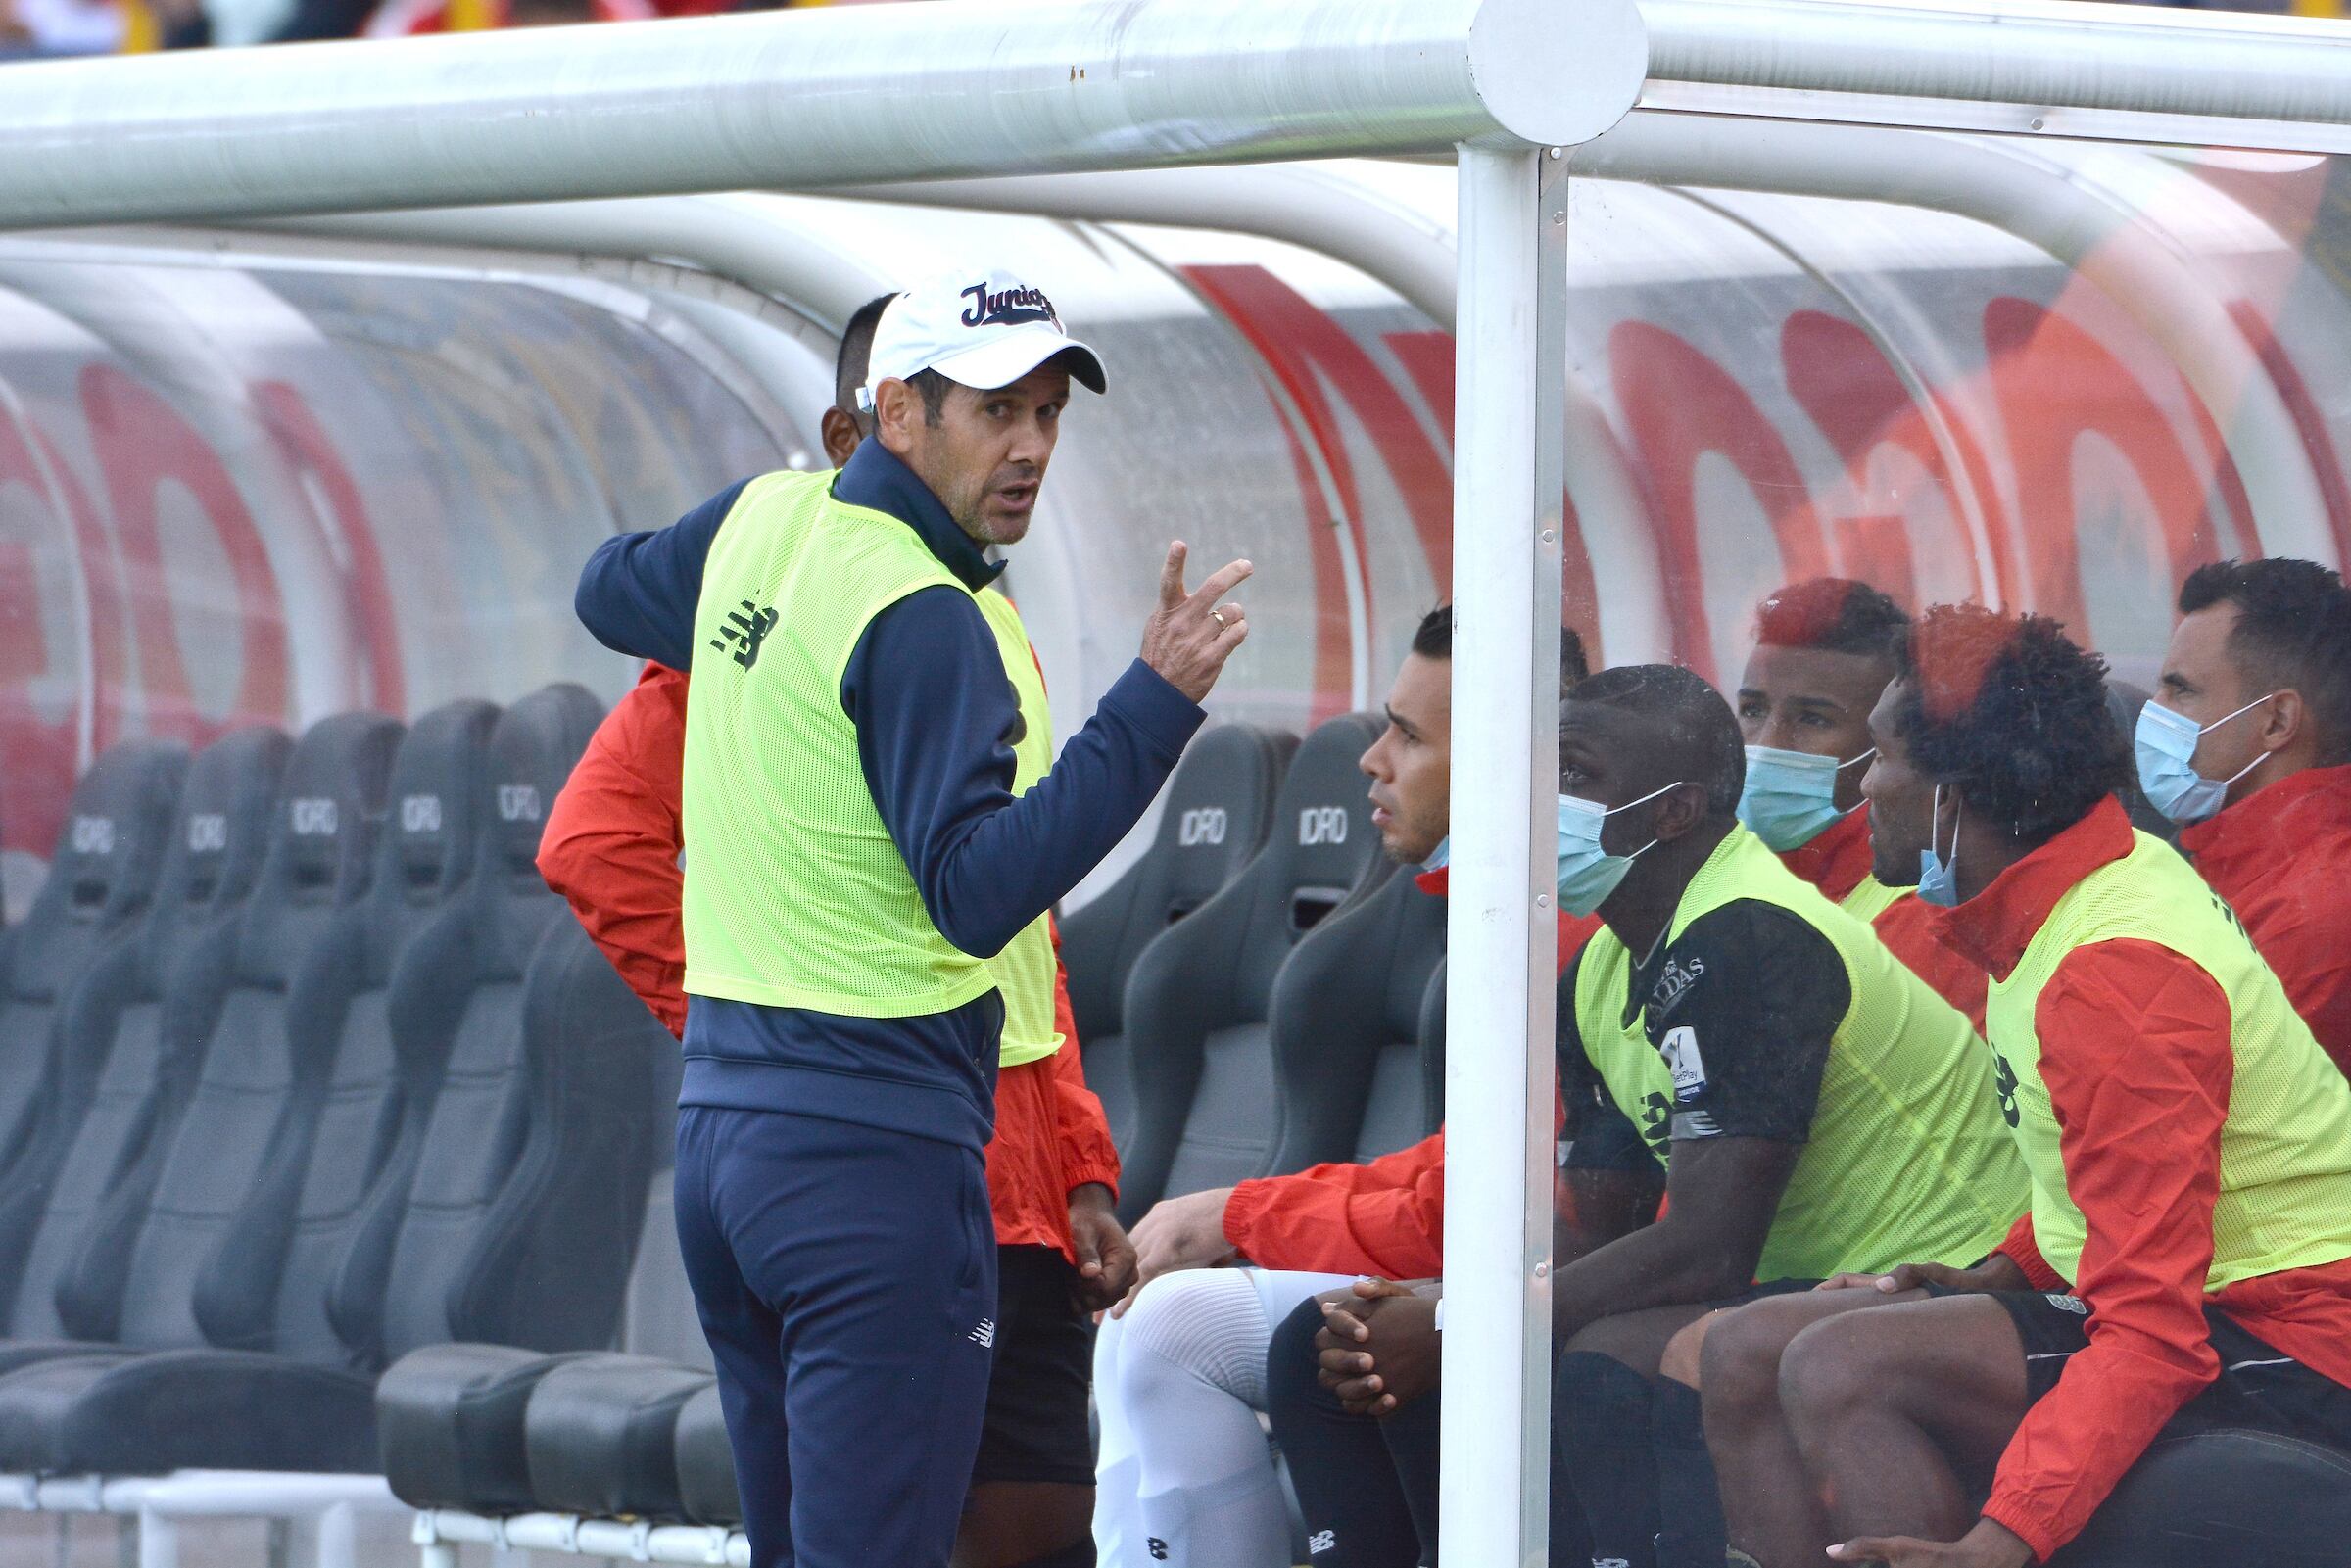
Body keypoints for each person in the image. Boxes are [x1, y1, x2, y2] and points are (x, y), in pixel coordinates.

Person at [572, 268, 1253, 1568]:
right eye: (997, 411)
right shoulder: (932, 617)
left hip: (728, 1146)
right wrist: (1153, 705)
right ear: (897, 413)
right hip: (871, 1162)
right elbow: (979, 895)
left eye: (1050, 414)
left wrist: (741, 626)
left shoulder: (764, 523)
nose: (1033, 448)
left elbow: (608, 589)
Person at [1265, 665, 2026, 1568]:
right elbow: (1602, 1232)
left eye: (1575, 777)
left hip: (1934, 1282)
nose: (1540, 798)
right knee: (1333, 1339)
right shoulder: (1596, 973)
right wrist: (1437, 1303)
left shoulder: (1750, 933)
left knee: (1598, 1358)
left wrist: (1461, 1325)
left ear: (1674, 811)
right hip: (1801, 1285)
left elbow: (1709, 1247)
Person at [1700, 604, 2351, 1568]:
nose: (1866, 785)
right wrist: (2000, 1274)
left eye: (1882, 757)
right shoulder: (2052, 891)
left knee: (1849, 1366)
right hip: (2214, 1297)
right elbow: (2091, 1171)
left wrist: (2003, 1541)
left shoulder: (2115, 971)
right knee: (1744, 1351)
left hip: (2298, 1335)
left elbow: (2153, 1329)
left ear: (1953, 798)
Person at [1089, 608, 1598, 1568]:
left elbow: (1492, 1214)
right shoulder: (1496, 920)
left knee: (1177, 1322)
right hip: (1510, 1279)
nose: (1371, 759)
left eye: (1409, 734)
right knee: (1151, 1320)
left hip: (1576, 1293)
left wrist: (1239, 1214)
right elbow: (1456, 1166)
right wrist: (1233, 1208)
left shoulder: (1578, 935)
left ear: (1513, 755)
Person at [1737, 577, 1987, 1028]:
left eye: (1813, 719)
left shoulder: (1929, 925)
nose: (1768, 743)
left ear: (1886, 736)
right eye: (1752, 710)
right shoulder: (1714, 878)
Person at [2141, 557, 2351, 1075]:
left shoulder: (2316, 910)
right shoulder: (2226, 859)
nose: (2154, 708)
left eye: (2181, 690)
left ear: (2277, 721)